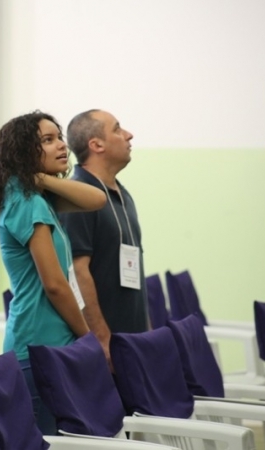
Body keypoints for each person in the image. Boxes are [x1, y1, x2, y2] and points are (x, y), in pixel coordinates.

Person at [0, 111, 106, 435]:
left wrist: (41, 178)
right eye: (48, 139)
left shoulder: (35, 195)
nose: (61, 146)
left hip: (51, 340)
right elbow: (55, 285)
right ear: (24, 150)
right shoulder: (29, 202)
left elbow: (96, 199)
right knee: (47, 440)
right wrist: (88, 336)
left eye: (60, 138)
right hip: (38, 343)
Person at [59, 109, 149, 364]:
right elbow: (78, 270)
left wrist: (147, 333)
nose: (129, 135)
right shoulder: (79, 196)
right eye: (118, 129)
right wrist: (101, 338)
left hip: (133, 340)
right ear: (96, 144)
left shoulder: (122, 193)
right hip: (107, 345)